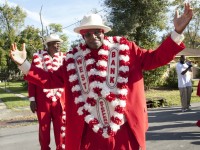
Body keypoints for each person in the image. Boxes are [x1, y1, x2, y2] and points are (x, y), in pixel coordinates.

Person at [10, 3, 193, 150]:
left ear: (103, 32)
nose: (93, 37)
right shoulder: (72, 60)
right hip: (89, 132)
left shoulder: (126, 49)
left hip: (124, 128)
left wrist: (176, 33)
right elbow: (49, 80)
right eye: (87, 34)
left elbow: (155, 58)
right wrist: (23, 64)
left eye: (97, 31)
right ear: (83, 37)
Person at [28, 34, 66, 150]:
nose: (58, 46)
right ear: (48, 45)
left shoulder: (64, 58)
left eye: (59, 43)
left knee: (60, 128)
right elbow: (32, 79)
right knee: (44, 128)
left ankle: (61, 148)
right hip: (42, 99)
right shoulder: (37, 58)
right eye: (55, 43)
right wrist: (32, 99)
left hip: (60, 100)